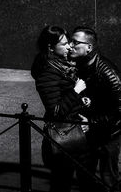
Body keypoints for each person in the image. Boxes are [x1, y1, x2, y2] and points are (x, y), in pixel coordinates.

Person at [69, 26, 121, 192]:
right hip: (88, 130)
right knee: (84, 175)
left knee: (109, 178)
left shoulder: (107, 72)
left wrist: (93, 122)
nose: (70, 45)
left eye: (75, 42)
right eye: (70, 40)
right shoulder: (81, 64)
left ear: (89, 47)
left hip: (108, 132)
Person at [31, 25, 90, 192]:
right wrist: (75, 91)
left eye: (68, 42)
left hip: (76, 131)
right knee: (61, 184)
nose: (69, 46)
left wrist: (81, 98)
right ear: (50, 47)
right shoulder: (47, 72)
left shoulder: (62, 65)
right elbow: (56, 111)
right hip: (65, 136)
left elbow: (64, 97)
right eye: (64, 44)